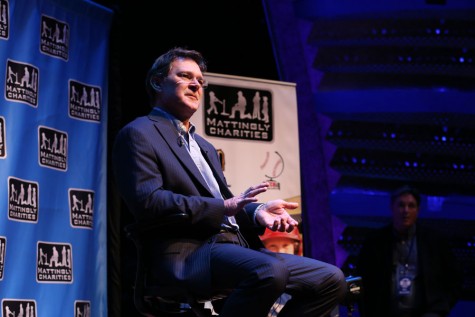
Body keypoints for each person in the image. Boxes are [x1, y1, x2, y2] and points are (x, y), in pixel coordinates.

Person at [112, 47, 347, 317]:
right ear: (157, 82)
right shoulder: (139, 133)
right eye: (185, 76)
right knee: (269, 271)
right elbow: (149, 202)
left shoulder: (204, 146)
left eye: (200, 81)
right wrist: (222, 207)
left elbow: (228, 205)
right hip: (188, 254)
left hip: (233, 248)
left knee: (331, 280)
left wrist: (258, 212)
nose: (195, 85)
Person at [356, 185, 462, 317]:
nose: (406, 210)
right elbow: (361, 281)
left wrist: (440, 310)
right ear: (392, 208)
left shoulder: (434, 241)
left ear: (418, 210)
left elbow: (455, 280)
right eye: (401, 205)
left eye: (411, 206)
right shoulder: (375, 242)